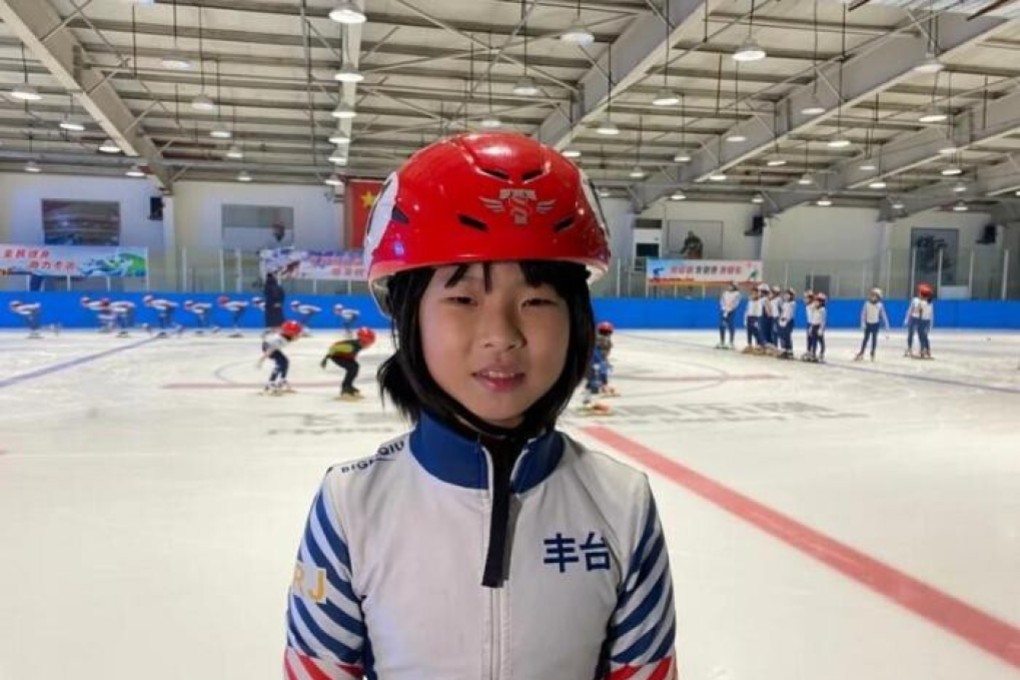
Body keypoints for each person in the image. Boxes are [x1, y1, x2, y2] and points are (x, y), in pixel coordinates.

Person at [282, 132, 677, 680]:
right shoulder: (351, 505)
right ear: (408, 317)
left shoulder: (623, 503)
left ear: (576, 319)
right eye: (463, 298)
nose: (501, 336)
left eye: (536, 300)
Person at [320, 327, 376, 400]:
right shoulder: (350, 347)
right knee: (352, 368)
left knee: (355, 367)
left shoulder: (359, 345)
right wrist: (327, 357)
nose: (369, 345)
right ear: (363, 341)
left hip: (344, 356)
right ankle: (345, 388)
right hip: (336, 356)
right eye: (369, 343)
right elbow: (333, 348)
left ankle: (349, 386)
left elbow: (351, 353)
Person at [258, 319, 302, 395]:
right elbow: (270, 351)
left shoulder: (288, 335)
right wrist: (261, 360)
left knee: (285, 361)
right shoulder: (279, 340)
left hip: (272, 345)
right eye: (297, 333)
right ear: (290, 333)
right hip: (268, 347)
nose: (299, 335)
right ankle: (270, 384)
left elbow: (281, 330)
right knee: (279, 364)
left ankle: (282, 381)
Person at [855, 288, 890, 362]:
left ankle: (872, 353)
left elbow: (883, 315)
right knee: (865, 339)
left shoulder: (880, 305)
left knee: (874, 339)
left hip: (875, 324)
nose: (873, 297)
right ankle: (862, 352)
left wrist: (886, 325)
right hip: (868, 324)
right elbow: (863, 314)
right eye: (872, 295)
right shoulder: (867, 304)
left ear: (878, 297)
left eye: (875, 295)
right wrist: (862, 323)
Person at [904, 283, 932, 358]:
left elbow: (929, 313)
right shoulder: (915, 300)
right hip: (913, 318)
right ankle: (909, 348)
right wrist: (907, 318)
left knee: (922, 335)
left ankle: (924, 349)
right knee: (910, 334)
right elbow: (910, 309)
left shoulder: (927, 303)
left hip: (921, 319)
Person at [716, 282, 741, 349]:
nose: (729, 286)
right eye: (729, 285)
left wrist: (730, 309)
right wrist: (724, 308)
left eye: (731, 285)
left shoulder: (737, 294)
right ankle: (722, 342)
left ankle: (731, 342)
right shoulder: (725, 293)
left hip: (731, 311)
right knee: (722, 325)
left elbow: (736, 303)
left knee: (731, 326)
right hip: (724, 311)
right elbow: (721, 301)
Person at [805, 292, 827, 363]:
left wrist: (821, 329)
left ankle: (821, 354)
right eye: (816, 301)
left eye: (818, 301)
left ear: (822, 302)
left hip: (819, 327)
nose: (816, 302)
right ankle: (813, 353)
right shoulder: (814, 309)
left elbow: (823, 321)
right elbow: (812, 318)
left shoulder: (823, 310)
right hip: (814, 326)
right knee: (814, 341)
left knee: (821, 341)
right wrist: (811, 327)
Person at [742, 285, 764, 354]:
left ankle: (759, 346)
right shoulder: (750, 301)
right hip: (749, 317)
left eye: (755, 293)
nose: (753, 294)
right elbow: (747, 310)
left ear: (757, 293)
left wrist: (757, 320)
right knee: (749, 332)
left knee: (756, 332)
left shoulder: (759, 301)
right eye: (752, 293)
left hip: (755, 318)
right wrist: (745, 318)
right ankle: (749, 345)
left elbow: (759, 311)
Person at [777, 287, 796, 359]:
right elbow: (783, 312)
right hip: (782, 320)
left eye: (788, 295)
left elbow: (790, 314)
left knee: (787, 336)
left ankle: (789, 351)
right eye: (785, 295)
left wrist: (786, 320)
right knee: (782, 335)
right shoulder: (785, 303)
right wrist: (780, 319)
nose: (786, 296)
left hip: (789, 321)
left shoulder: (792, 303)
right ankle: (784, 350)